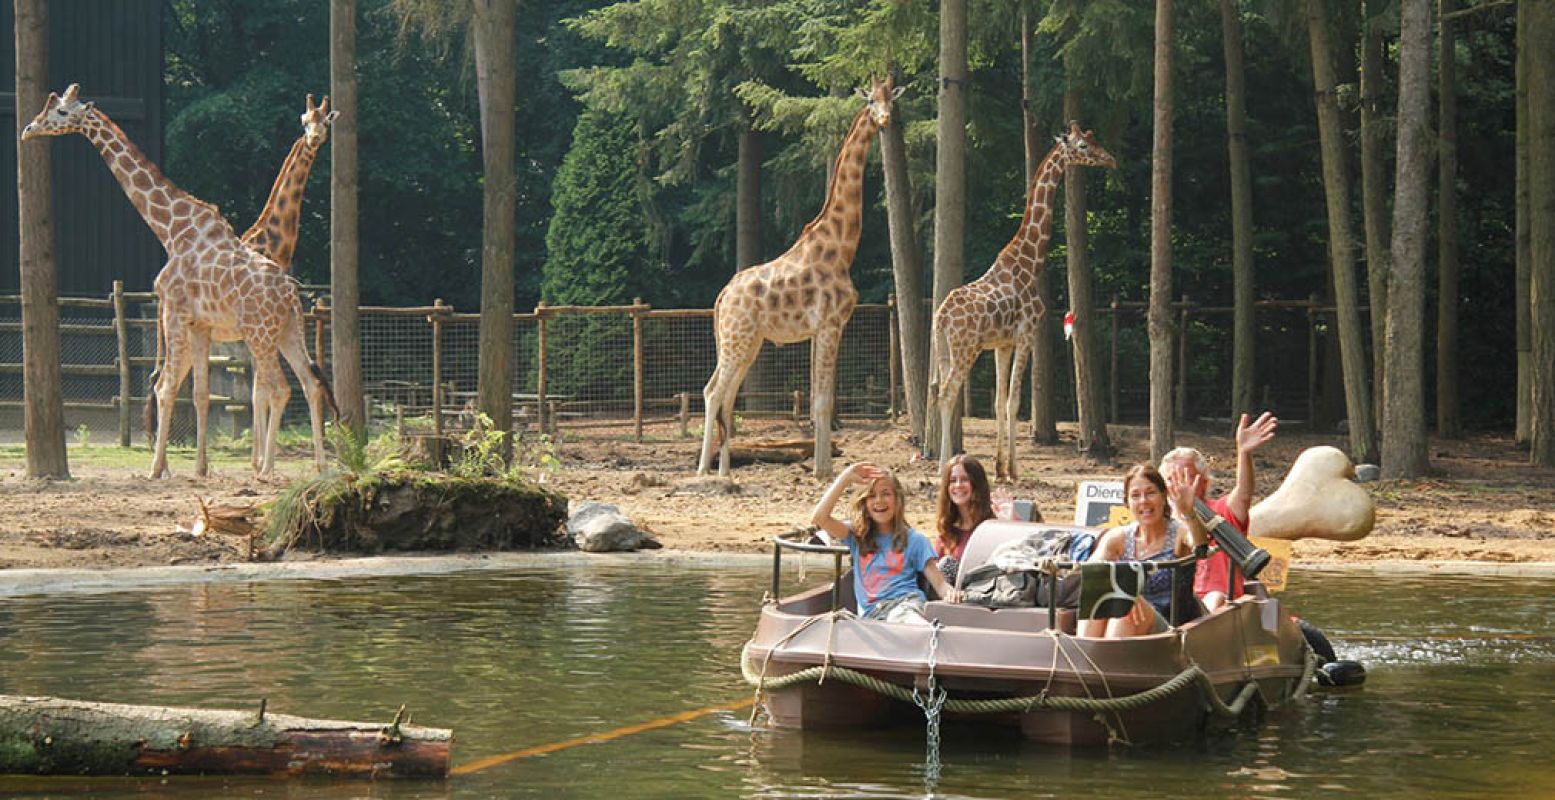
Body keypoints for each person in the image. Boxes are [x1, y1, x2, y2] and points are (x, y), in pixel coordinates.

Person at [812, 461, 962, 623]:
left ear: (897, 500)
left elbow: (939, 584)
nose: (879, 500)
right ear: (864, 503)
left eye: (886, 494)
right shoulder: (857, 534)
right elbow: (819, 518)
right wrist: (845, 477)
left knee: (905, 620)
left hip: (905, 605)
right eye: (872, 495)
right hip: (872, 616)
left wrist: (951, 593)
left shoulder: (915, 540)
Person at [1161, 411, 1278, 612]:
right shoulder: (1158, 521)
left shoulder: (1221, 512)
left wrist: (1244, 452)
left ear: (1204, 483)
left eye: (1186, 478)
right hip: (1173, 607)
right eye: (1172, 479)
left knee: (1214, 599)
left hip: (1219, 610)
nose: (1179, 486)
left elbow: (1243, 493)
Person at [1077, 463, 1209, 638]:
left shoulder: (1180, 533)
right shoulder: (1118, 538)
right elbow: (1091, 573)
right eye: (1135, 495)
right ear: (1127, 502)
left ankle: (1107, 661)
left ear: (1163, 496)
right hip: (1129, 622)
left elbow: (1200, 545)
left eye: (1150, 493)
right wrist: (1125, 592)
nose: (1144, 501)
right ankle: (1083, 658)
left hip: (1172, 627)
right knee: (1100, 597)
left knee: (1126, 611)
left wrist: (1189, 512)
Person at [933, 455, 994, 584]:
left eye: (965, 479)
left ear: (977, 484)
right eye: (953, 480)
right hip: (952, 599)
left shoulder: (994, 526)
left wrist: (1010, 520)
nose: (958, 485)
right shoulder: (946, 531)